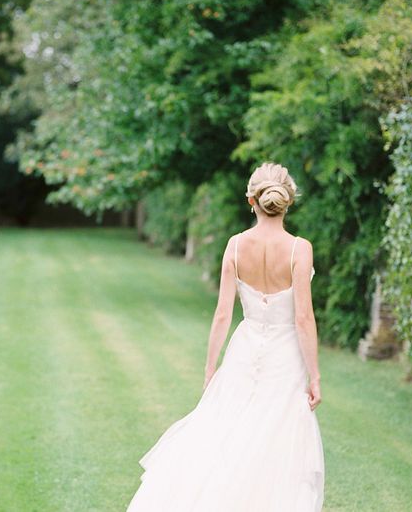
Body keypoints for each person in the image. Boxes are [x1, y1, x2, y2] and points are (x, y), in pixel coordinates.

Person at [126, 162, 325, 511]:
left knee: (228, 431)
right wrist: (315, 376)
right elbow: (304, 318)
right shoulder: (299, 249)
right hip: (285, 356)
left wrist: (210, 367)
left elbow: (222, 314)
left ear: (251, 200)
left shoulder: (235, 246)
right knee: (275, 439)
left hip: (243, 351)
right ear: (288, 201)